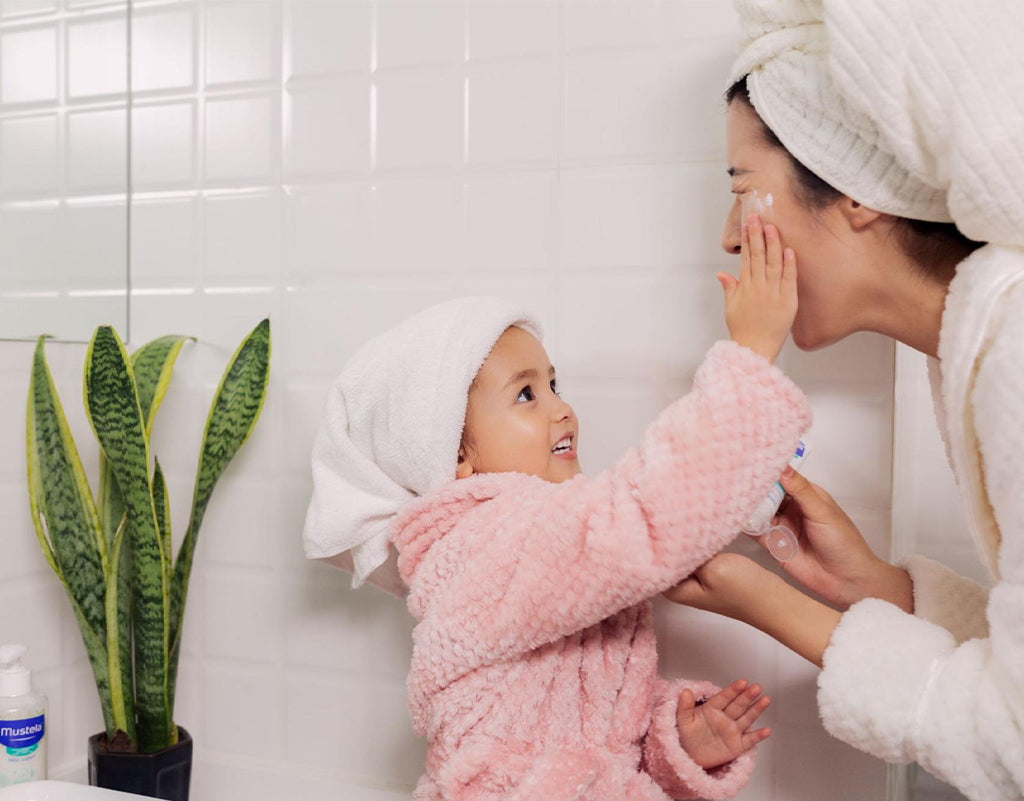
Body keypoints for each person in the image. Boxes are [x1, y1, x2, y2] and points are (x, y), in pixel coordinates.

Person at [302, 223, 809, 800]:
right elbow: (637, 519)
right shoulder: (485, 544)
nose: (562, 408)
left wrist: (675, 742)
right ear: (456, 453)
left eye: (553, 383)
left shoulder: (540, 539)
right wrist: (750, 358)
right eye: (526, 394)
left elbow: (594, 729)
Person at [665, 2, 1024, 800]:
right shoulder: (981, 344)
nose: (729, 235)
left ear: (855, 190)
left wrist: (762, 600)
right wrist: (875, 588)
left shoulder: (1016, 352)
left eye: (743, 187)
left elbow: (1015, 740)